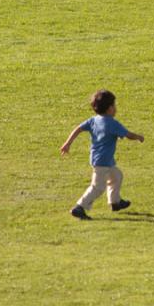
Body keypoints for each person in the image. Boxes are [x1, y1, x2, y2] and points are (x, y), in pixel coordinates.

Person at [61, 90, 144, 220]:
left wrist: (68, 143)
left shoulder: (94, 120)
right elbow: (128, 135)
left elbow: (78, 128)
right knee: (98, 187)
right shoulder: (112, 124)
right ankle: (79, 207)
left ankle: (115, 202)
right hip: (102, 162)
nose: (116, 108)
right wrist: (138, 137)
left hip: (100, 160)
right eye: (114, 105)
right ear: (110, 108)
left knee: (116, 176)